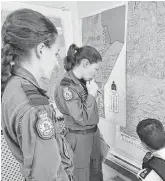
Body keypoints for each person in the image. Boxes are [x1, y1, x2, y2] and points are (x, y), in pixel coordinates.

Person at [1, 9, 74, 181]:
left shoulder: (12, 85)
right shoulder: (35, 107)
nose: (57, 63)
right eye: (56, 53)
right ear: (41, 49)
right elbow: (47, 176)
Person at [54, 44, 104, 181]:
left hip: (93, 134)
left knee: (96, 172)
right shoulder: (66, 87)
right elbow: (81, 118)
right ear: (85, 63)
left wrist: (92, 95)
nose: (95, 73)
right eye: (95, 69)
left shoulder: (83, 82)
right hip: (79, 137)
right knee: (82, 175)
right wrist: (91, 95)